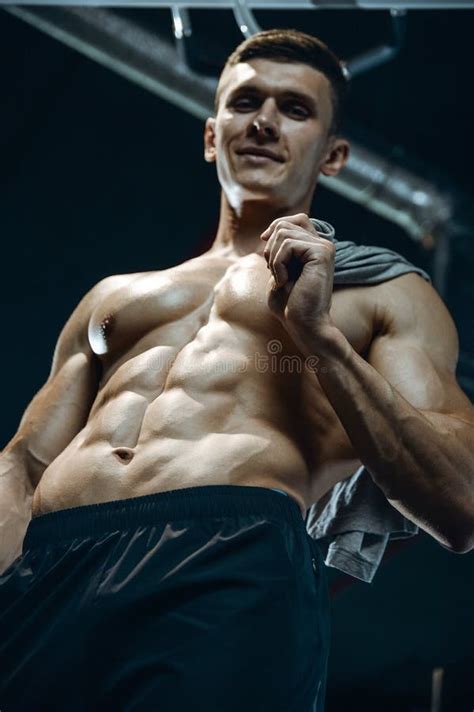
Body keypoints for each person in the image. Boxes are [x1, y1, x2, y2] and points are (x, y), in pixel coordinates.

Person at [1, 28, 473, 712]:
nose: (263, 121)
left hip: (227, 559)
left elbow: (459, 502)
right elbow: (23, 462)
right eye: (245, 101)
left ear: (334, 155)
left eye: (294, 109)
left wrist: (317, 337)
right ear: (210, 135)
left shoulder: (382, 292)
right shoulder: (114, 298)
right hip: (50, 570)